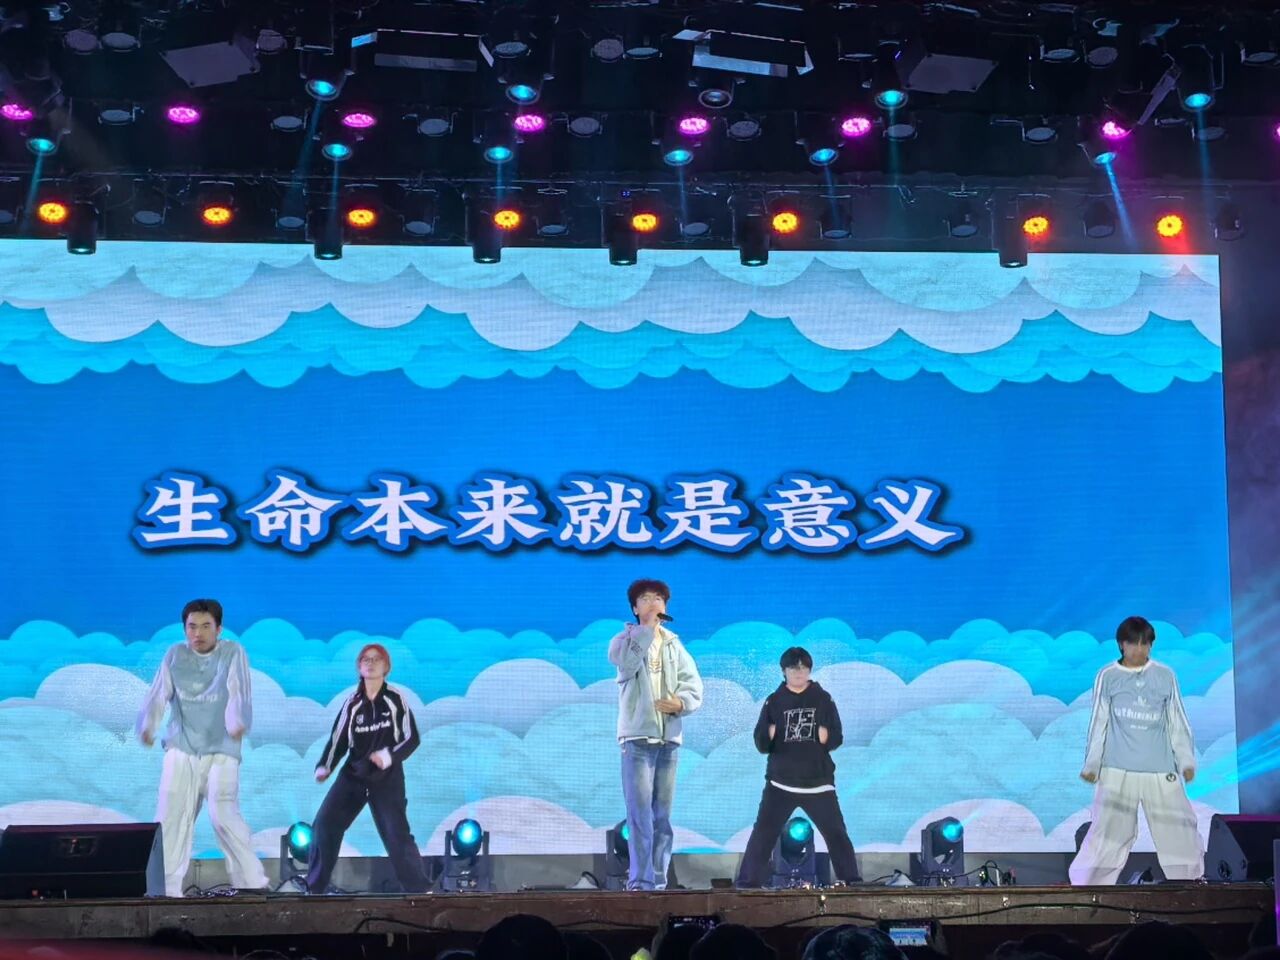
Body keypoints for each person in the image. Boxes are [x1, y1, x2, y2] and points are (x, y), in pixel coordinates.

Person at [136, 598, 269, 897]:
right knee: (171, 817)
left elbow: (239, 689)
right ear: (184, 629)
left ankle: (251, 882)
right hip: (182, 747)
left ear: (219, 629)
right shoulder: (175, 655)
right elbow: (158, 694)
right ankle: (165, 889)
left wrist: (237, 720)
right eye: (192, 626)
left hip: (221, 749)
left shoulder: (232, 652)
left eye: (206, 626)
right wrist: (147, 726)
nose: (198, 633)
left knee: (223, 813)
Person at [1069, 616, 1203, 885]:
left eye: (1145, 644)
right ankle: (1088, 887)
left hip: (1160, 768)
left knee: (1177, 827)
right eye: (1133, 643)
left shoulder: (1165, 675)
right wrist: (1092, 765)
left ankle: (1190, 884)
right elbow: (1099, 722)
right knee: (1109, 830)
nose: (1139, 650)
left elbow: (1177, 720)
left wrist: (1186, 761)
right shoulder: (1108, 676)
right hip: (1117, 769)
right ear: (1122, 644)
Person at [305, 642, 429, 893]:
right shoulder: (352, 704)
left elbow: (411, 737)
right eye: (366, 659)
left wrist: (388, 756)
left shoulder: (395, 699)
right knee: (325, 824)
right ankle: (314, 888)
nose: (371, 663)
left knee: (396, 833)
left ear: (386, 667)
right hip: (354, 776)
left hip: (387, 778)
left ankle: (419, 891)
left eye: (376, 659)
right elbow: (338, 740)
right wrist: (325, 766)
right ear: (359, 667)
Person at [736, 646, 861, 887]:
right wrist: (769, 733)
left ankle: (852, 882)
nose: (798, 672)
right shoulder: (774, 701)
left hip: (818, 783)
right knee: (763, 833)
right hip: (780, 783)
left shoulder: (823, 699)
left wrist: (824, 735)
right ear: (784, 671)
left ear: (810, 670)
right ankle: (747, 884)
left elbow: (837, 737)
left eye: (803, 668)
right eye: (793, 668)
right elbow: (761, 743)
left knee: (836, 833)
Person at [608, 578, 703, 891]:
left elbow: (693, 684)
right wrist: (646, 631)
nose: (653, 603)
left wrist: (681, 703)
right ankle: (640, 881)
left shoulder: (675, 644)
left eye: (658, 598)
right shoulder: (623, 640)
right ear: (635, 608)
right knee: (640, 817)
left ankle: (659, 883)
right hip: (637, 740)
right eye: (645, 599)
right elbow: (626, 663)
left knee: (662, 817)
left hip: (668, 741)